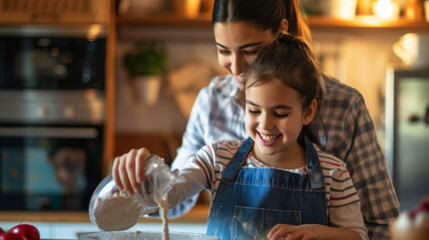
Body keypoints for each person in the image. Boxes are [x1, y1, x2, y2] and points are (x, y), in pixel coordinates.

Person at [112, 0, 399, 238]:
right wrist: (144, 175)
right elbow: (173, 196)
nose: (236, 69)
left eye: (250, 51)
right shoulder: (213, 112)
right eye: (223, 51)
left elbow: (379, 228)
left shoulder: (345, 114)